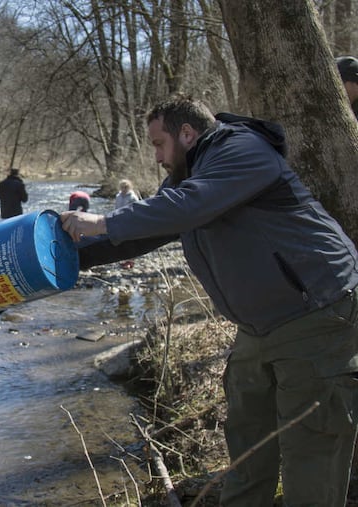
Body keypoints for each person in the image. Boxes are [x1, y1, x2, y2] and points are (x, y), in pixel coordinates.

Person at [61, 94, 358, 506]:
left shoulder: (242, 151)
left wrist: (102, 220)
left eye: (159, 144)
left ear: (187, 133)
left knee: (313, 456)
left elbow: (188, 206)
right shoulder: (188, 178)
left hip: (317, 315)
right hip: (257, 328)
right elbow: (147, 229)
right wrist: (65, 261)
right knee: (248, 450)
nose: (158, 157)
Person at [113, 179, 140, 269]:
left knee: (130, 242)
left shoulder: (133, 197)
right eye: (122, 187)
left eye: (126, 187)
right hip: (120, 221)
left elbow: (137, 209)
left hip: (130, 221)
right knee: (121, 241)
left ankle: (131, 261)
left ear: (129, 187)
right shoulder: (118, 196)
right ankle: (124, 259)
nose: (124, 189)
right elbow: (116, 208)